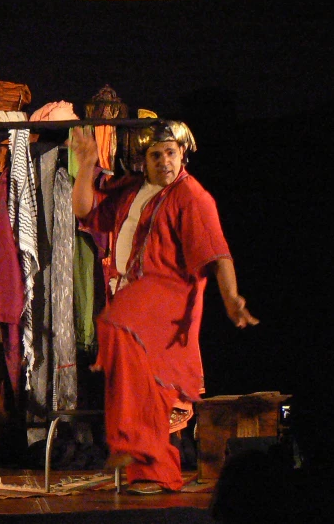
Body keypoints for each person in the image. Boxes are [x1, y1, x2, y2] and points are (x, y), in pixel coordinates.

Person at [70, 120, 259, 494]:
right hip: (135, 298)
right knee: (136, 382)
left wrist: (231, 298)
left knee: (149, 377)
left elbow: (218, 252)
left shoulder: (191, 196)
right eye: (155, 155)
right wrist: (87, 163)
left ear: (183, 154)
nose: (164, 162)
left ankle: (147, 458)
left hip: (168, 302)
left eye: (171, 153)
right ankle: (145, 465)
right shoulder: (134, 189)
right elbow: (84, 210)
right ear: (143, 160)